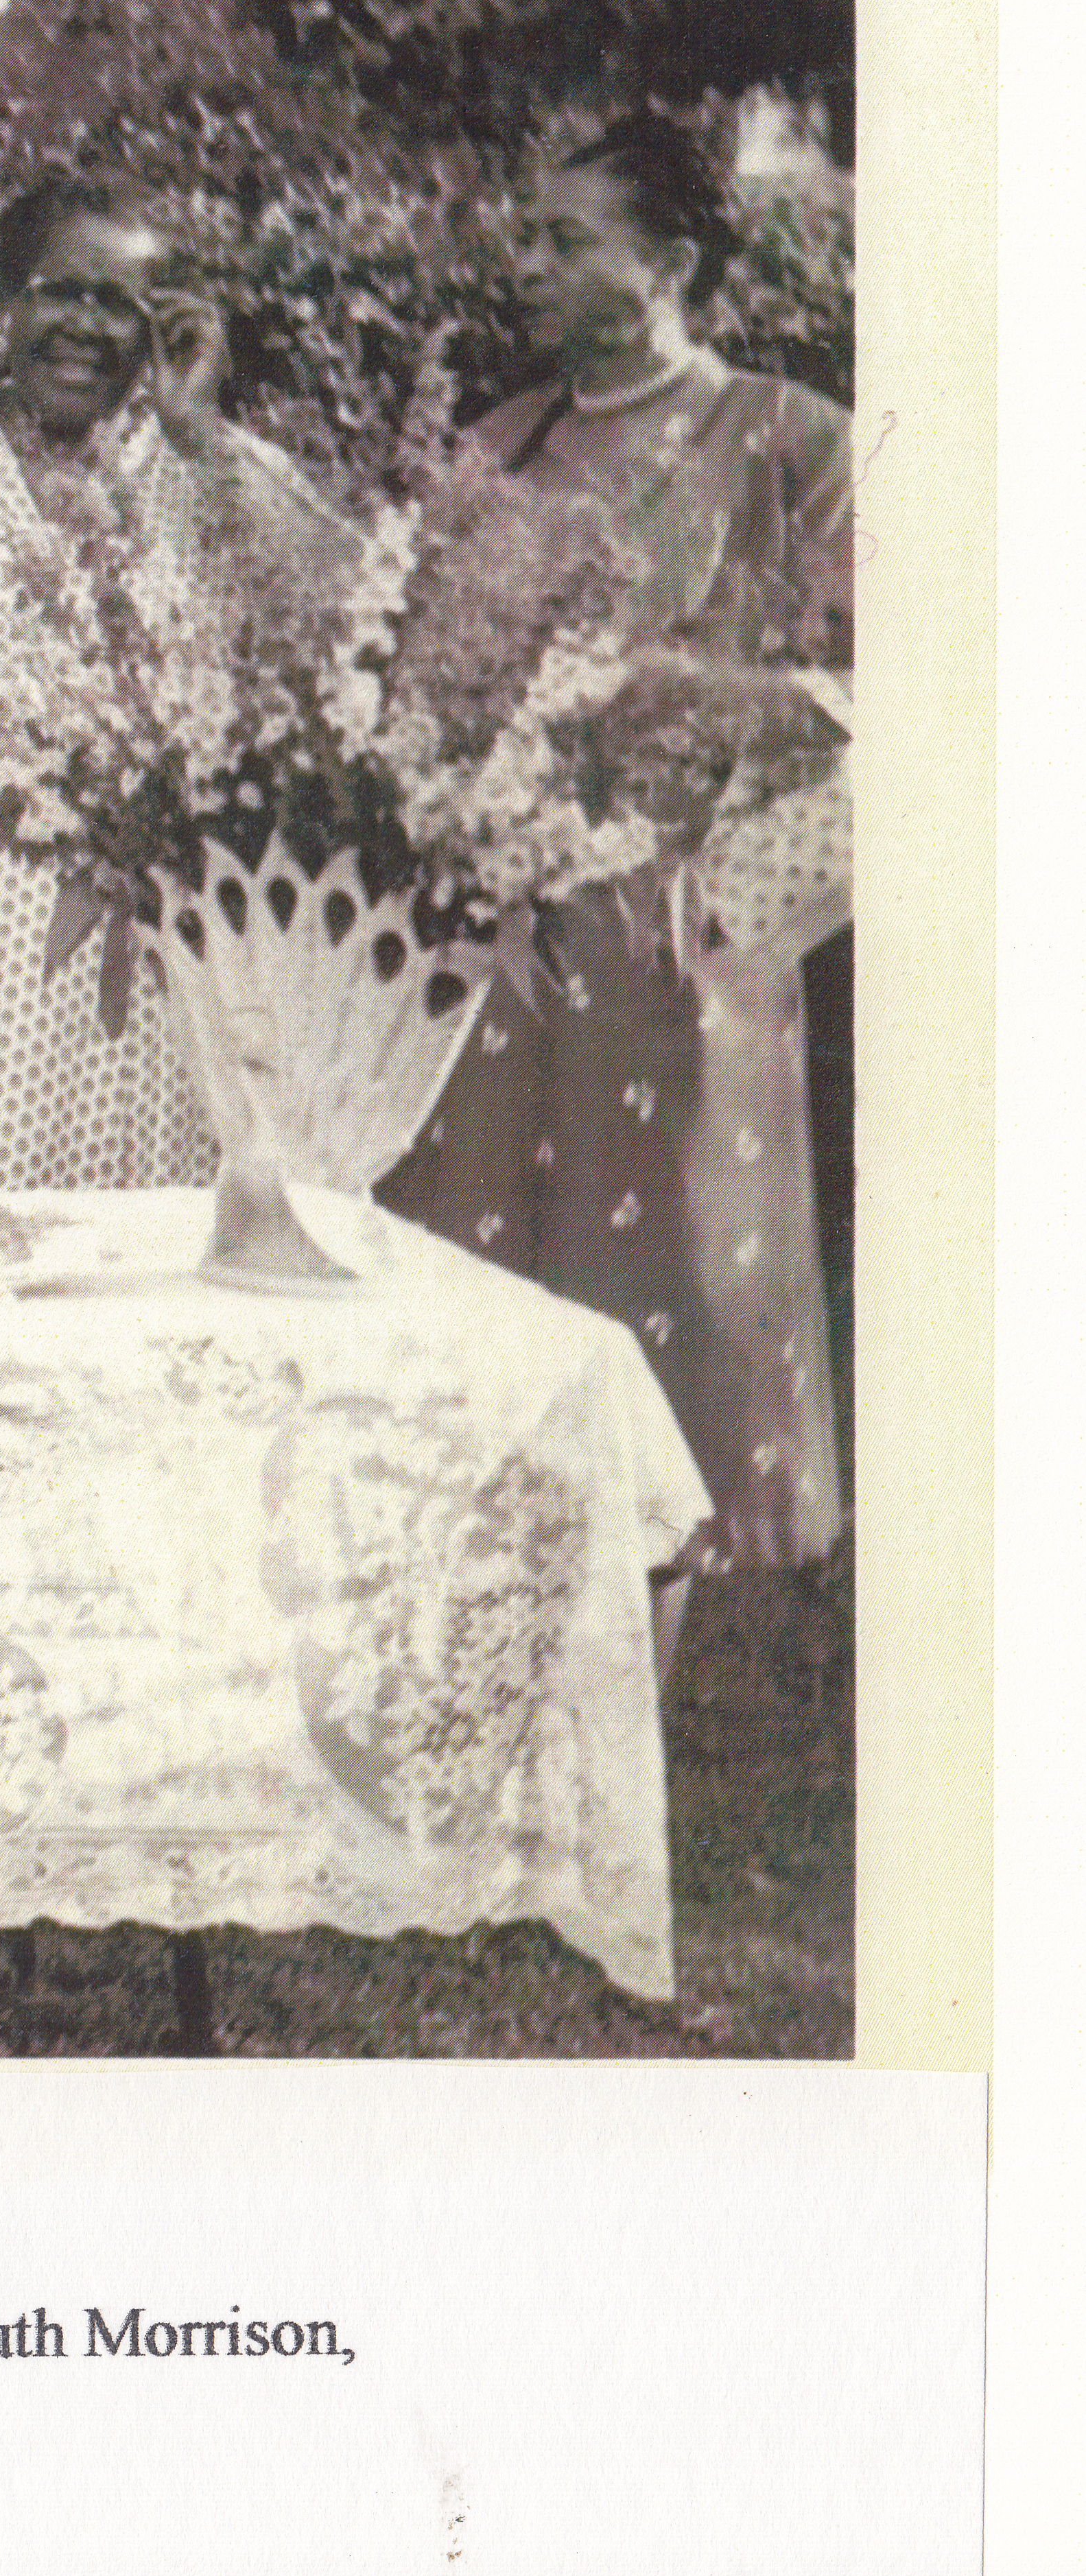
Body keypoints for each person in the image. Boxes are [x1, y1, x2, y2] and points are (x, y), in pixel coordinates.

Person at [380, 115, 855, 1581]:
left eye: (563, 239)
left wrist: (679, 711)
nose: (523, 264)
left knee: (667, 1323)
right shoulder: (490, 448)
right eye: (527, 235)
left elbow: (889, 695)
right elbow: (410, 682)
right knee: (479, 1313)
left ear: (672, 262)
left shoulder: (793, 440)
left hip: (685, 945)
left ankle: (639, 1681)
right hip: (491, 949)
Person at [0, 174, 344, 1198]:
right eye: (57, 292)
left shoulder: (216, 469)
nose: (84, 324)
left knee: (96, 1244)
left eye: (117, 302)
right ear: (1, 304)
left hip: (129, 940)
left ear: (166, 324)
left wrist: (199, 428)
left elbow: (339, 624)